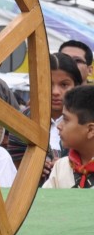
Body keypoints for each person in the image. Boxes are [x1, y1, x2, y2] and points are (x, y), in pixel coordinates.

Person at [7, 51, 83, 184]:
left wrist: (65, 167)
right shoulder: (22, 121)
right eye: (48, 83)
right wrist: (33, 168)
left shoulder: (87, 119)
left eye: (64, 85)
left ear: (76, 86)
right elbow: (14, 168)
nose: (55, 92)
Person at [44, 84, 94, 188]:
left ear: (90, 130)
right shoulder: (61, 167)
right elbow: (46, 202)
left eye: (66, 119)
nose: (59, 126)